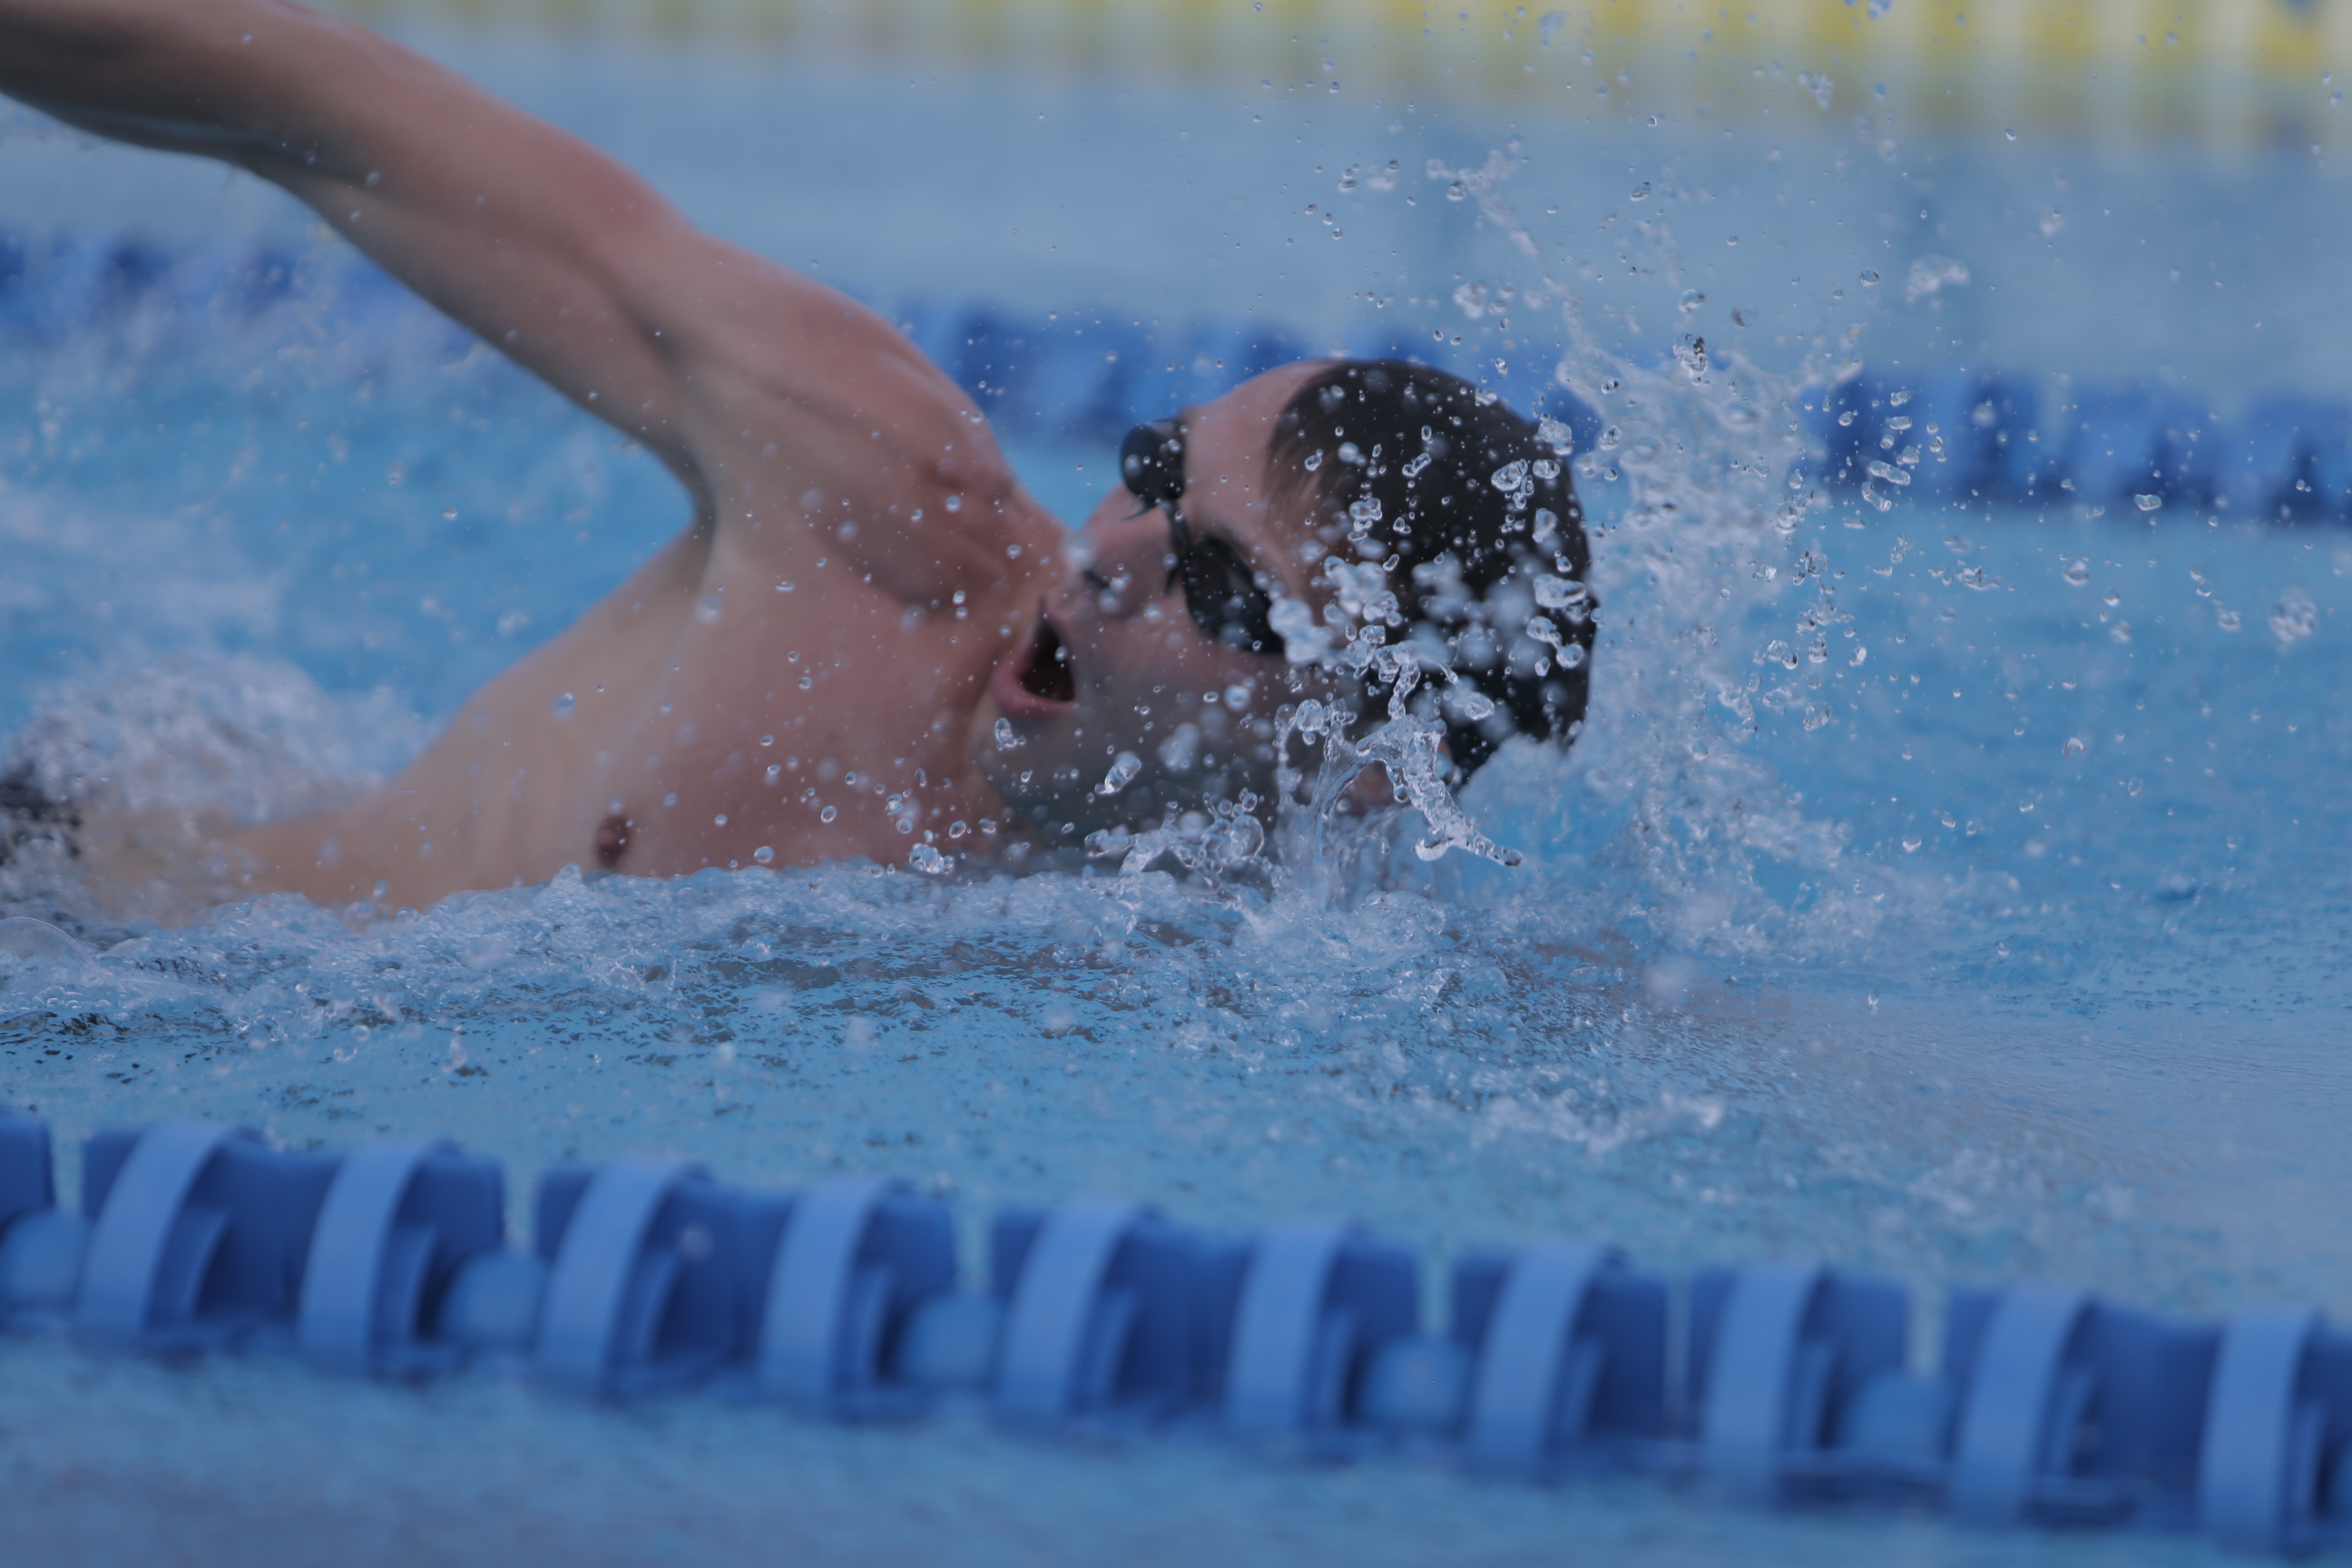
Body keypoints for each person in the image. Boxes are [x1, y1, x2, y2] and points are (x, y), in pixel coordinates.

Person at [0, 0, 1594, 915]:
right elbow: (317, 111)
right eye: (1157, 474)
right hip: (75, 905)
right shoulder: (874, 502)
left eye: (1221, 586)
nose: (1109, 554)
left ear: (1358, 766)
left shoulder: (1256, 974)